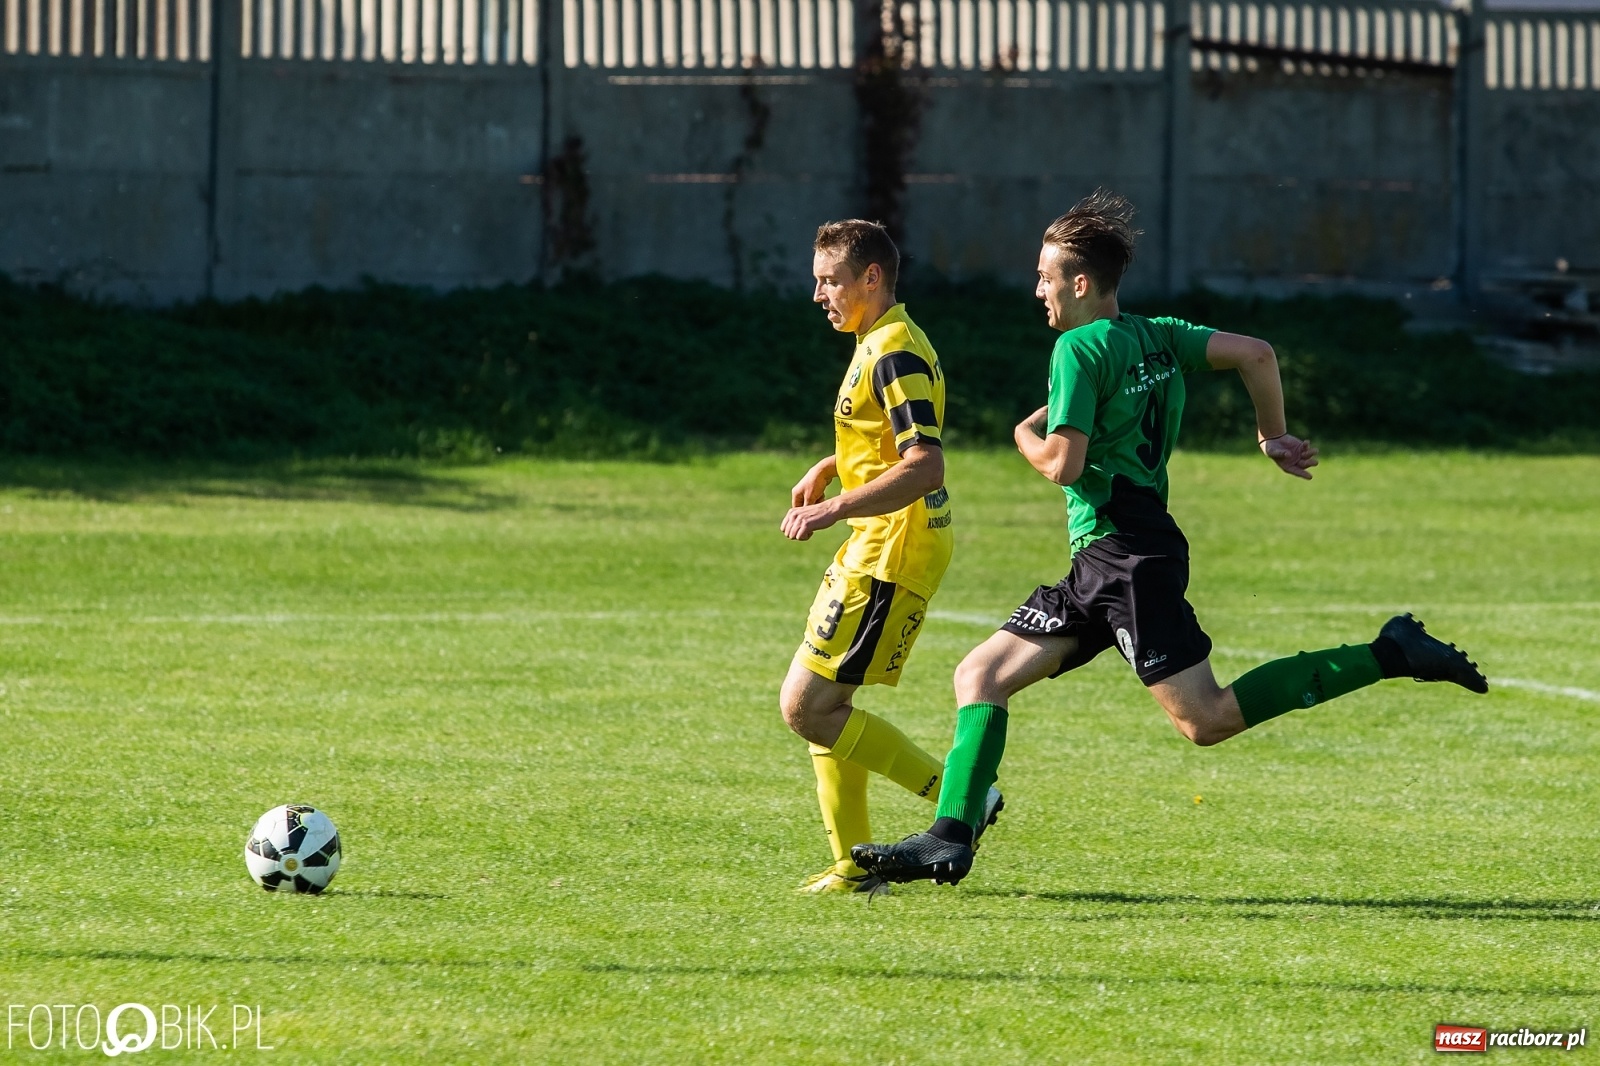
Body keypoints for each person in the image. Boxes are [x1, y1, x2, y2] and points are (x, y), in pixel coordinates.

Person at [851, 190, 1487, 886]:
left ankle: (1390, 652)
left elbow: (1062, 464)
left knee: (1206, 719)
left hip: (1123, 557)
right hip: (1111, 556)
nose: (1038, 290)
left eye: (1045, 276)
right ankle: (950, 836)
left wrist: (1022, 435)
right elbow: (1257, 354)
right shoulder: (1158, 335)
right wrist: (1271, 435)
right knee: (982, 675)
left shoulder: (1077, 348)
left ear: (1080, 283)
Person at [780, 219, 999, 894]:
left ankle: (962, 799)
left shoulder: (892, 351)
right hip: (876, 540)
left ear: (871, 278)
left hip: (893, 547)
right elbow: (888, 437)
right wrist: (833, 466)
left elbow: (925, 463)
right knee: (823, 704)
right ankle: (853, 867)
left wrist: (832, 508)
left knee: (808, 707)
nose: (819, 294)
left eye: (830, 281)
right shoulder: (878, 340)